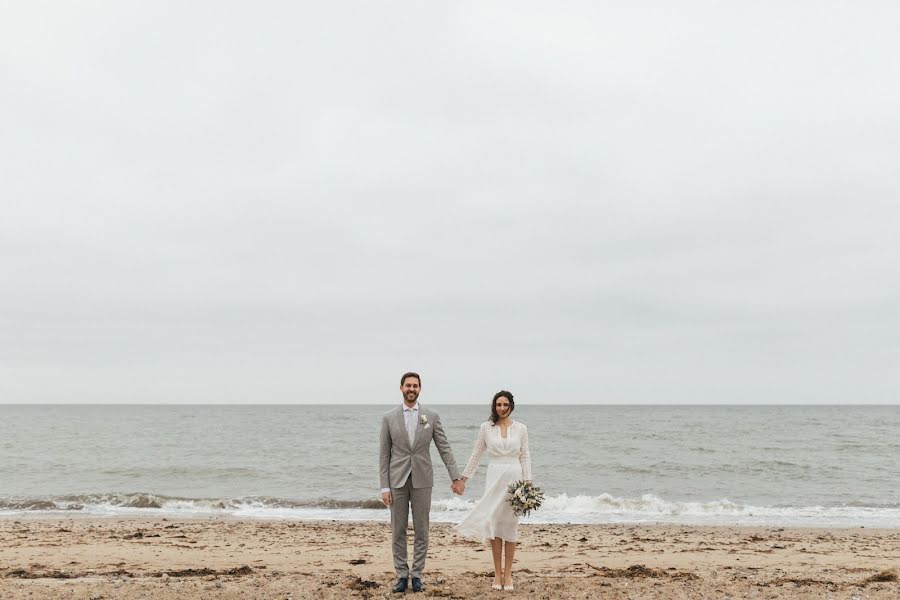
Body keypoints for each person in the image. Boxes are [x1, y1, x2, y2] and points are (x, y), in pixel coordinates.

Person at [379, 372, 465, 593]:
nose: (411, 389)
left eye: (415, 386)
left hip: (423, 480)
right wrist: (385, 486)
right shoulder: (389, 418)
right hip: (397, 481)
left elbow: (444, 447)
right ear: (401, 388)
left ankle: (417, 575)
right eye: (408, 385)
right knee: (398, 530)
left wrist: (455, 477)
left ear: (420, 389)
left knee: (422, 530)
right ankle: (401, 575)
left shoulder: (431, 416)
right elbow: (384, 455)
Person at [454, 390, 531, 592]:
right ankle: (497, 573)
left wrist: (528, 484)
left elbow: (525, 457)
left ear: (511, 406)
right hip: (494, 476)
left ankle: (508, 574)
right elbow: (476, 455)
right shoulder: (486, 428)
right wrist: (463, 479)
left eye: (506, 405)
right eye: (499, 405)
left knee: (511, 525)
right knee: (494, 524)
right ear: (494, 406)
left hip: (515, 479)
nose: (502, 408)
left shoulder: (521, 428)